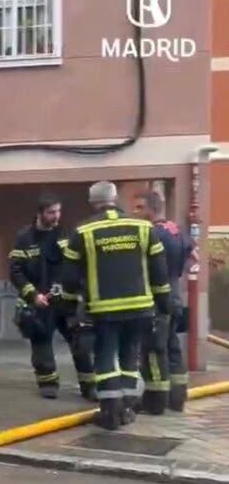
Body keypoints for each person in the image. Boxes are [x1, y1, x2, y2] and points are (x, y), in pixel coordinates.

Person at [58, 181, 169, 430]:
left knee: (105, 356)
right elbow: (159, 271)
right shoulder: (143, 228)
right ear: (115, 198)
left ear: (92, 202)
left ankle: (110, 413)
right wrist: (163, 305)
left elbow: (69, 278)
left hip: (104, 310)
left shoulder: (83, 231)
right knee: (130, 355)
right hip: (140, 308)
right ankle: (127, 407)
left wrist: (68, 308)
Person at [9, 194, 95, 400]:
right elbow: (16, 271)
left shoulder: (67, 234)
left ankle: (89, 385)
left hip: (66, 301)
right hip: (40, 301)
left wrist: (78, 291)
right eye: (51, 212)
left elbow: (77, 265)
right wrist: (33, 295)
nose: (56, 216)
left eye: (58, 211)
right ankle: (48, 384)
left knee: (80, 343)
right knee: (41, 343)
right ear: (39, 213)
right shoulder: (24, 238)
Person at [134, 190, 196, 412]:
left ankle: (155, 401)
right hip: (175, 297)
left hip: (156, 300)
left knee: (153, 349)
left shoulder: (150, 233)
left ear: (153, 208)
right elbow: (193, 258)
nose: (135, 212)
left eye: (140, 207)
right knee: (172, 346)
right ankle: (177, 398)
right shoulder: (176, 230)